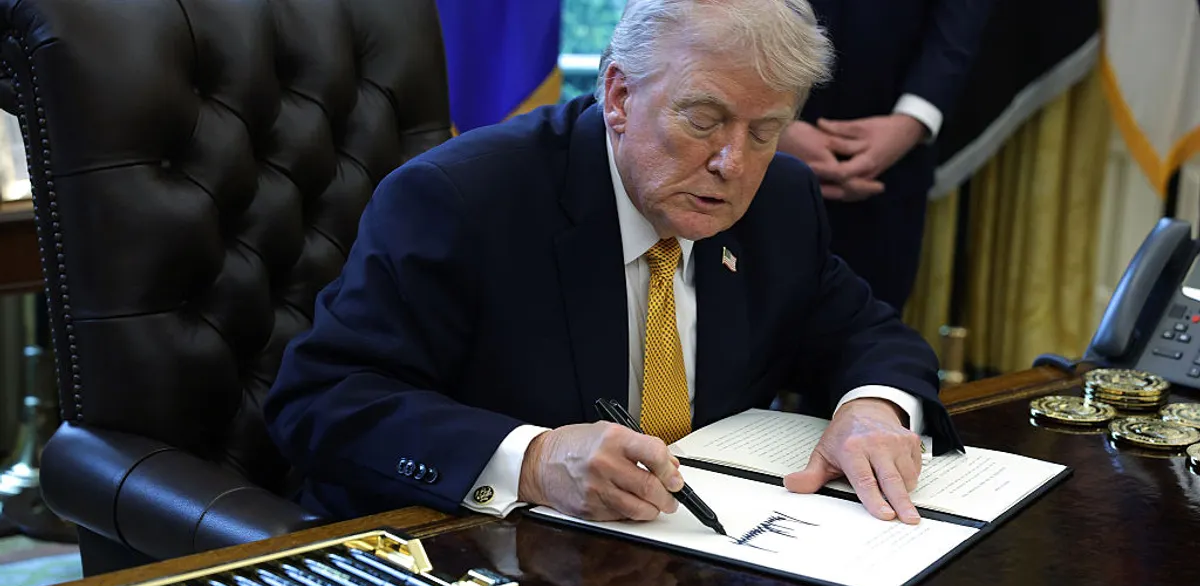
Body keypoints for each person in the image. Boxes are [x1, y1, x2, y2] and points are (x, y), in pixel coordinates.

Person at [264, 0, 963, 532]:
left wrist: (872, 409)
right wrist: (532, 461)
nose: (733, 164)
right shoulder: (462, 200)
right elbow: (324, 399)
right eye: (703, 120)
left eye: (764, 131)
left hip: (693, 567)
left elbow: (869, 335)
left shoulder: (779, 200)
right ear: (619, 97)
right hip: (464, 563)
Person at [777, 1, 993, 310]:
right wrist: (769, 126)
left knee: (870, 336)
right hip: (747, 152)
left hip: (889, 167)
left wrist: (912, 121)